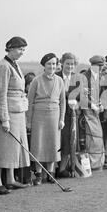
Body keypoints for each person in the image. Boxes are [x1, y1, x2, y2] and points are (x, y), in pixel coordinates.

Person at [0, 36, 30, 194]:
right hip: (8, 114)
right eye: (20, 49)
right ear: (11, 48)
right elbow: (0, 95)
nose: (22, 52)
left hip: (19, 112)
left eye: (23, 49)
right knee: (4, 148)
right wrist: (4, 119)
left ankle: (10, 180)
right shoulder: (4, 66)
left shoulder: (15, 64)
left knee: (14, 148)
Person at [26, 53, 66, 185]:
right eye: (49, 64)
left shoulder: (60, 81)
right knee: (38, 144)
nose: (52, 66)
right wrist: (29, 121)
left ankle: (50, 173)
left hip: (54, 117)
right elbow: (30, 101)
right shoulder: (36, 81)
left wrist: (62, 119)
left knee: (53, 144)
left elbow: (63, 102)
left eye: (54, 63)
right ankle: (38, 174)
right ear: (44, 65)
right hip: (39, 116)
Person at [79, 55, 106, 170]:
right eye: (97, 66)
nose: (100, 68)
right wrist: (92, 105)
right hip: (86, 111)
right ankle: (92, 164)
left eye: (101, 66)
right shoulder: (84, 77)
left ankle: (98, 163)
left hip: (96, 111)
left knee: (97, 137)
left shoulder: (99, 77)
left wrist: (100, 104)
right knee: (92, 137)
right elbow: (82, 96)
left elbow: (101, 94)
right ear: (92, 65)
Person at [57, 52, 80, 177]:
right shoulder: (56, 76)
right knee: (58, 141)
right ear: (62, 63)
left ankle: (64, 169)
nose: (70, 66)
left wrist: (77, 102)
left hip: (72, 114)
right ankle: (53, 168)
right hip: (58, 114)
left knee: (69, 141)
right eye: (67, 64)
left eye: (72, 64)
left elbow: (82, 96)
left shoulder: (78, 78)